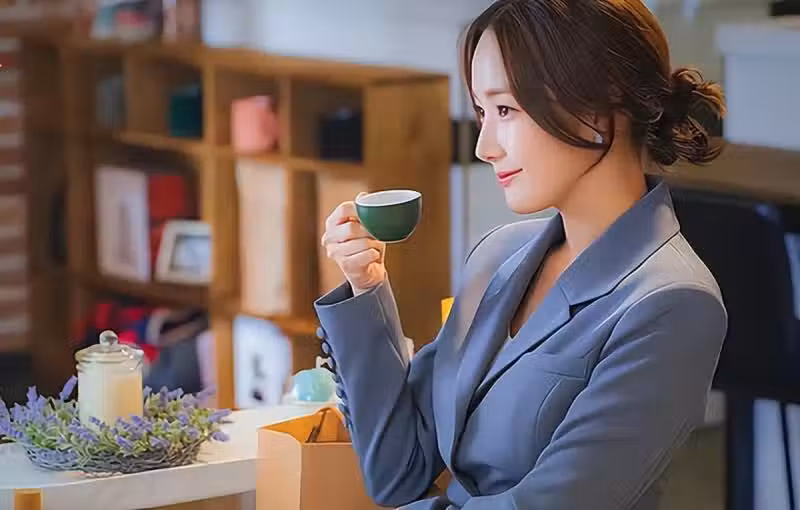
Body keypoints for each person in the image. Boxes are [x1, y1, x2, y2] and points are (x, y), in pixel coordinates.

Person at [314, 1, 728, 508]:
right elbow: (398, 471)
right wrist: (367, 286)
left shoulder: (674, 303)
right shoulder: (497, 256)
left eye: (506, 109)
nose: (484, 146)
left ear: (601, 101)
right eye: (481, 113)